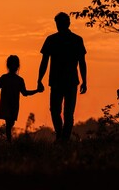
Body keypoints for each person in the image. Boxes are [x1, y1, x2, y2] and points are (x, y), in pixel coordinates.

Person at [37, 12, 87, 143]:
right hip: (58, 81)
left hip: (68, 81)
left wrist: (85, 81)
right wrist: (39, 79)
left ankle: (63, 138)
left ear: (68, 23)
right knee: (56, 111)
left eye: (62, 23)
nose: (60, 25)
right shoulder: (52, 39)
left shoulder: (76, 40)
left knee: (67, 113)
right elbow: (44, 62)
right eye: (58, 23)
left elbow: (82, 62)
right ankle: (61, 136)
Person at [0, 55, 40, 143]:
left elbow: (24, 93)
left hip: (12, 105)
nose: (13, 67)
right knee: (9, 124)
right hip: (8, 104)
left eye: (14, 65)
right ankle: (9, 142)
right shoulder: (6, 78)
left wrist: (36, 91)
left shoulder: (17, 80)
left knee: (10, 123)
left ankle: (7, 140)